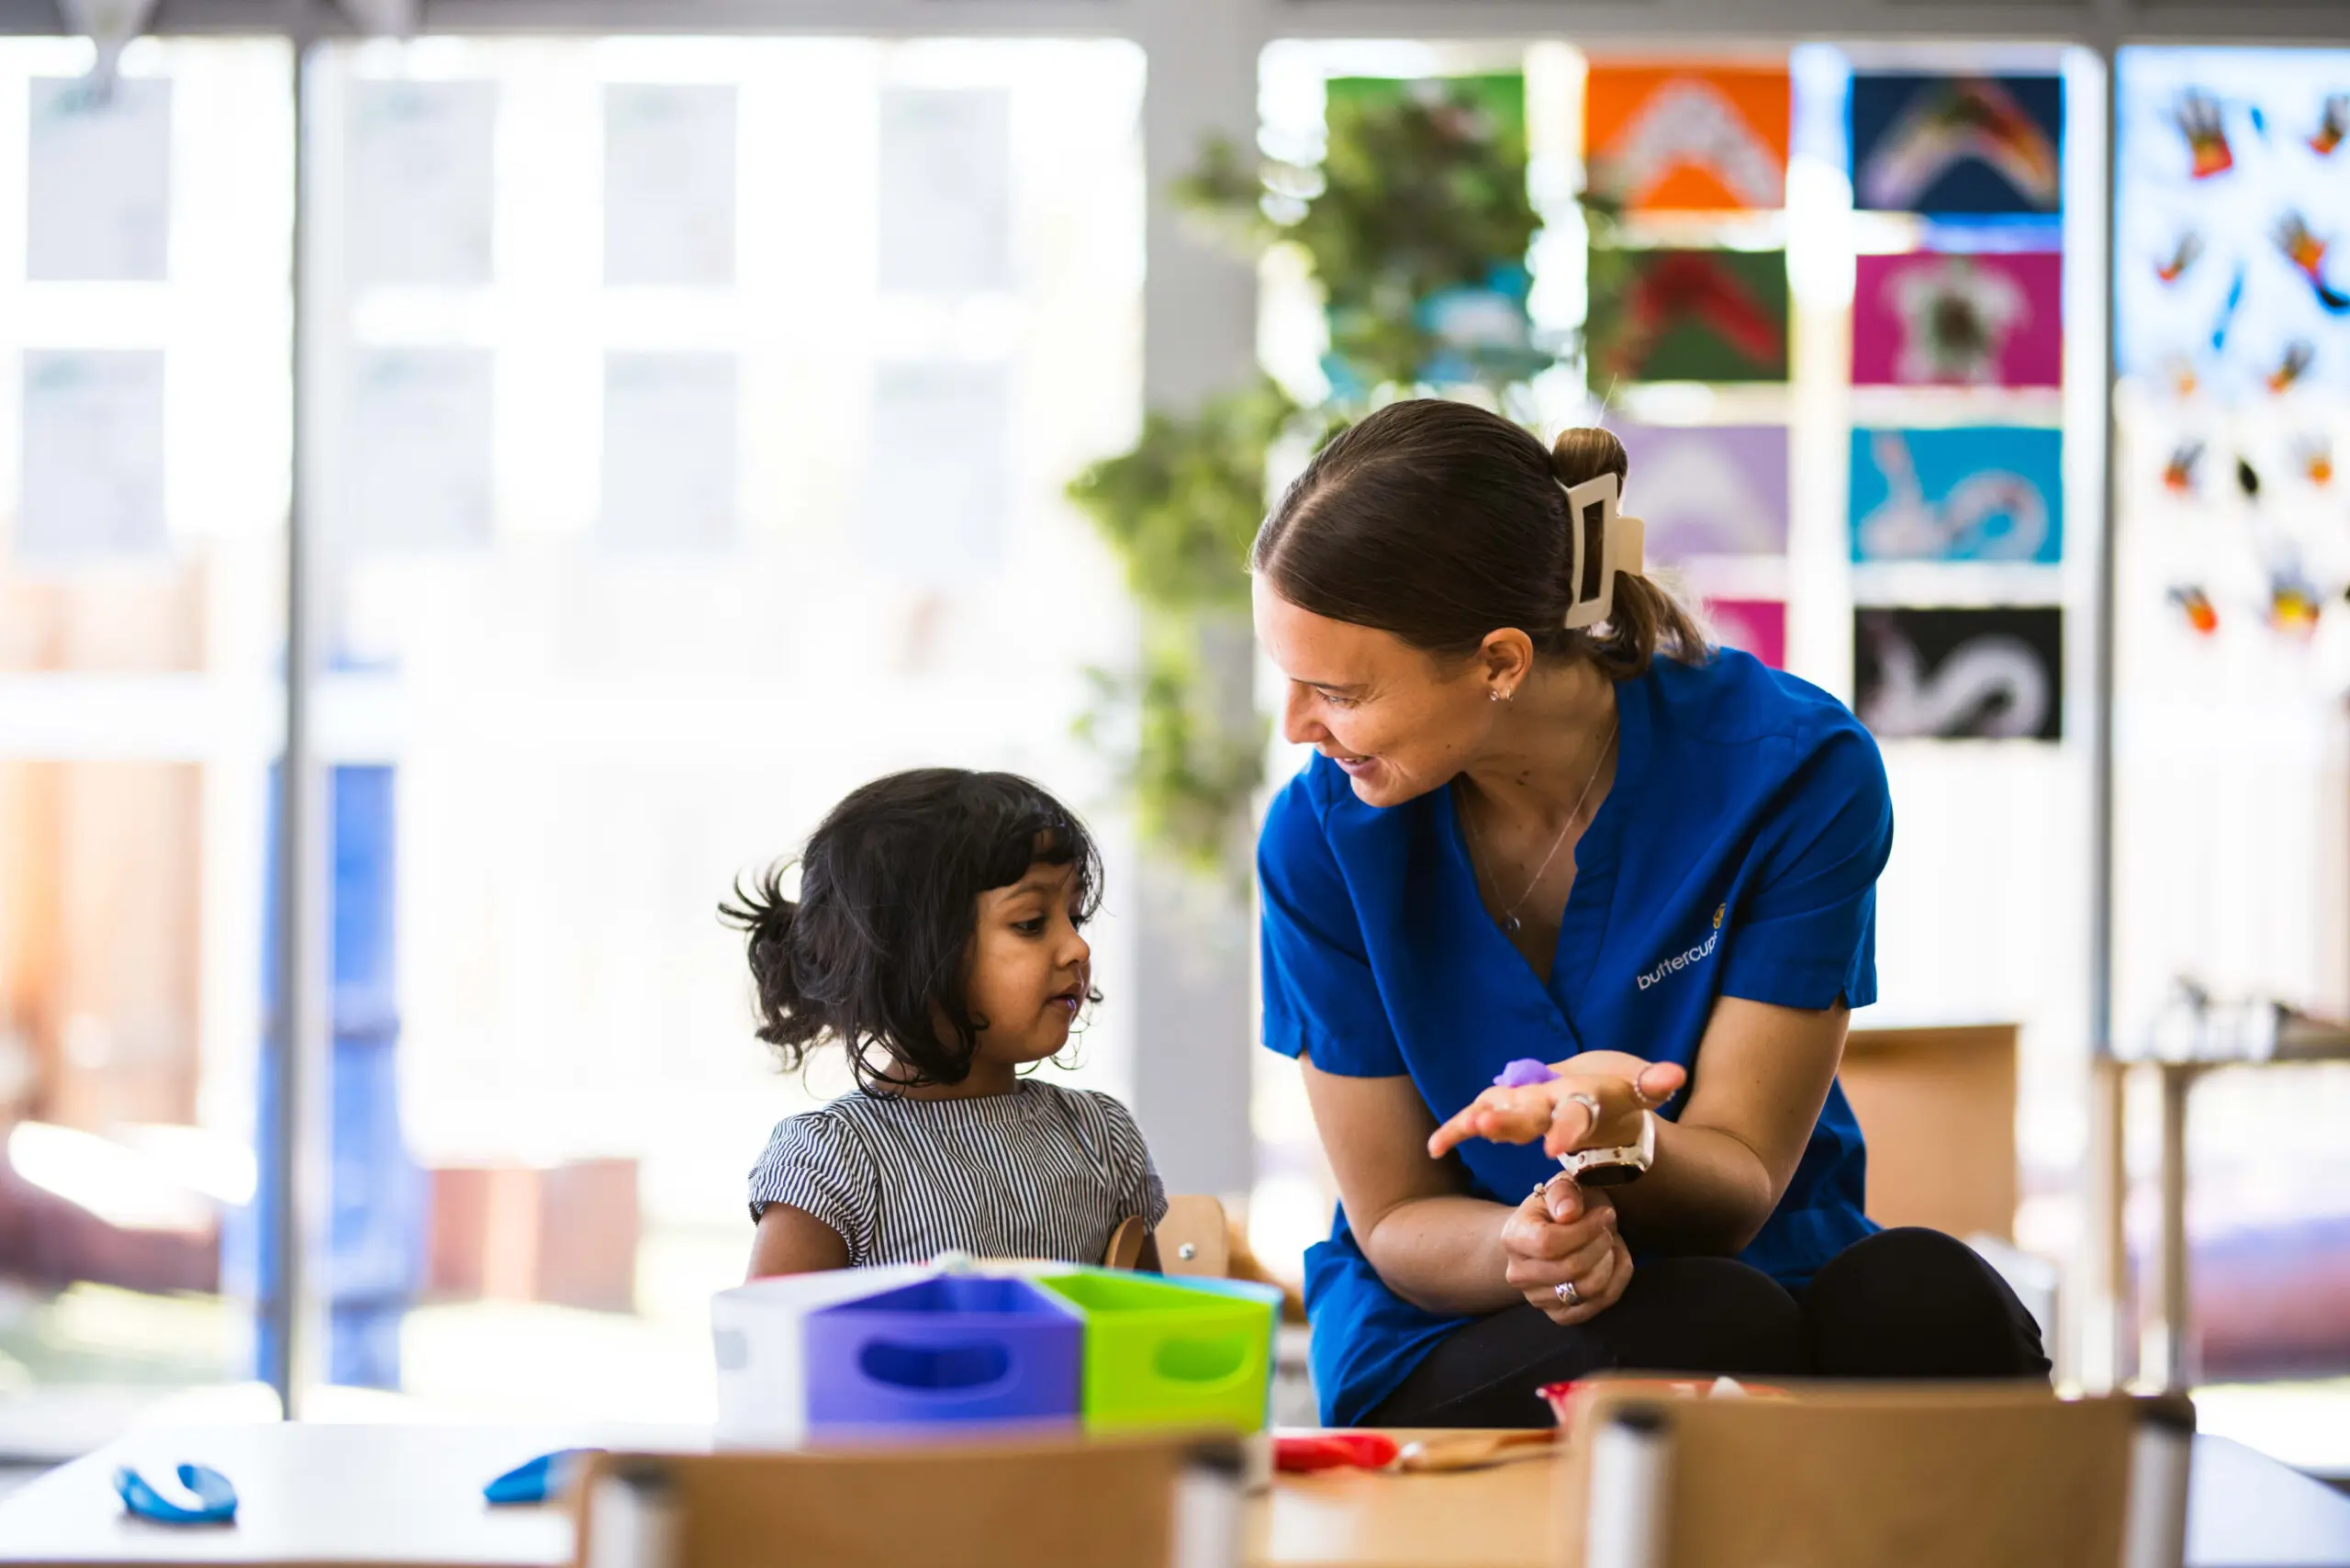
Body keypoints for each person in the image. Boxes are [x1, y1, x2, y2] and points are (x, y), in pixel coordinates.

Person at [1252, 399, 2048, 1428]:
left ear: (1499, 661)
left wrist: (1626, 1136)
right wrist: (1525, 1246)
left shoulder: (1792, 771)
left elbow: (1741, 1175)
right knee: (1701, 1324)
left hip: (1764, 1260)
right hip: (1460, 1309)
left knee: (1928, 1297)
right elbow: (1398, 1213)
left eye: (1338, 692)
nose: (1296, 728)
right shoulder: (1320, 839)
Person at [728, 767, 1166, 1277]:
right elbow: (771, 1351)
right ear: (912, 954)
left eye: (1076, 917)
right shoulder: (833, 1161)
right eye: (1030, 923)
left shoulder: (1104, 1137)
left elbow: (1153, 1337)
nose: (1078, 947)